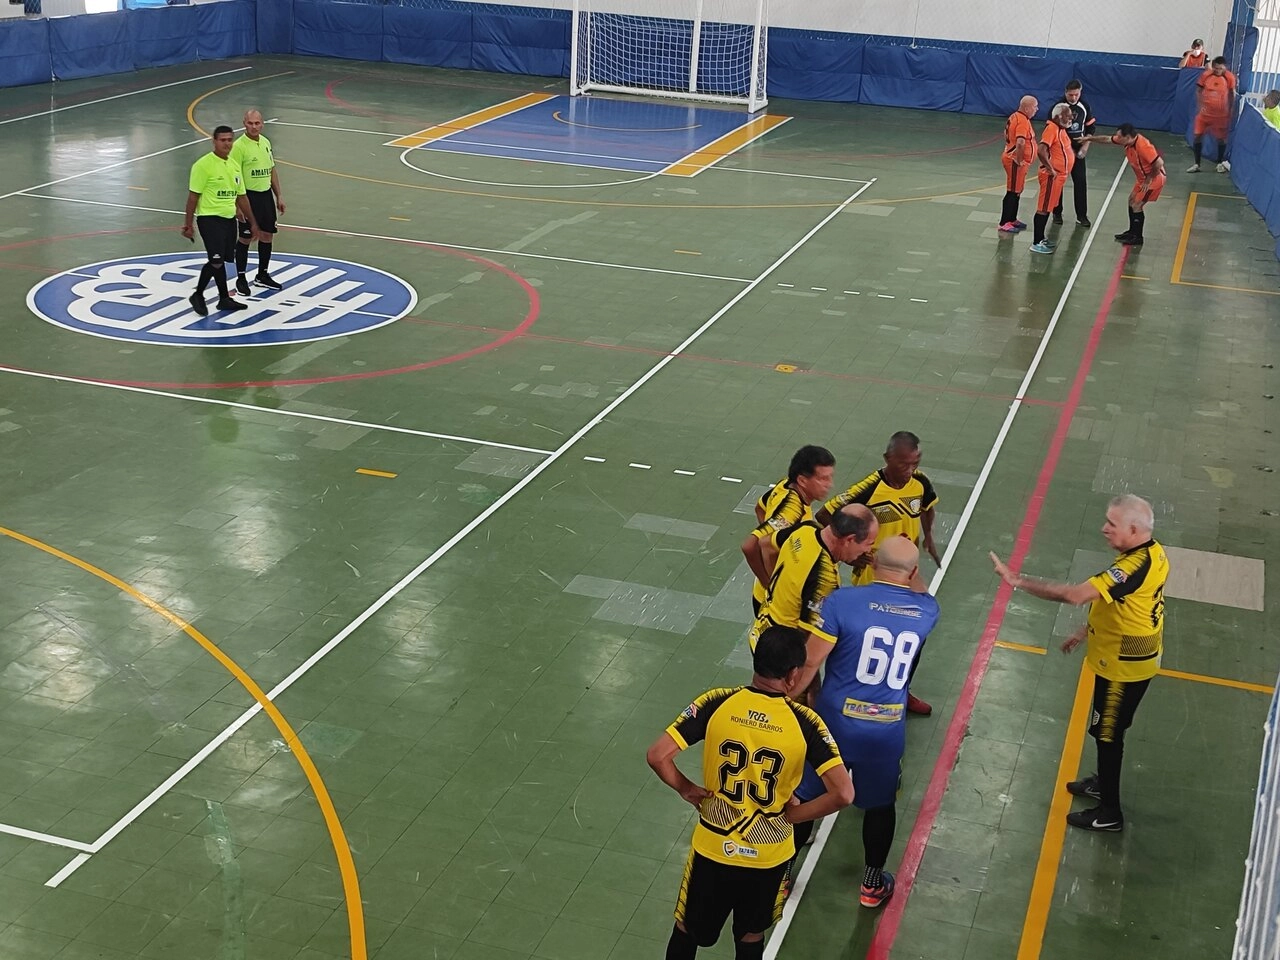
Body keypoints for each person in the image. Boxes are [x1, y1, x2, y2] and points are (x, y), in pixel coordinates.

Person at [647, 626, 854, 960]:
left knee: (687, 929)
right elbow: (843, 793)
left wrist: (687, 789)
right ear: (793, 674)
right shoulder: (805, 722)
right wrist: (794, 815)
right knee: (749, 935)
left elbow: (657, 755)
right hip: (768, 855)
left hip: (714, 847)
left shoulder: (717, 702)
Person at [989, 494, 1169, 832]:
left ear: (1133, 528)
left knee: (1108, 734)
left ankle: (1110, 813)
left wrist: (1017, 581)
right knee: (1109, 729)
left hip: (1123, 668)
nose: (1104, 528)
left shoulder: (1131, 566)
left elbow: (1075, 595)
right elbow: (1129, 606)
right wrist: (1087, 630)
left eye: (1111, 524)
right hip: (1131, 655)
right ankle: (1103, 782)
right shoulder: (1155, 553)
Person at [789, 538, 941, 908]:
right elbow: (919, 590)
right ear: (914, 571)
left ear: (873, 564)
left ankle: (780, 876)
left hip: (834, 725)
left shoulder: (842, 603)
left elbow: (810, 663)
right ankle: (872, 885)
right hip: (885, 729)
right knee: (879, 805)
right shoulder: (927, 611)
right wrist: (913, 573)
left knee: (806, 795)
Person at [815, 431, 941, 715]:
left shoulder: (919, 482)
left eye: (915, 463)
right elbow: (825, 516)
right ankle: (858, 695)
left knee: (912, 637)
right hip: (874, 579)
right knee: (868, 638)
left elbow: (928, 506)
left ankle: (902, 691)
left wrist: (929, 536)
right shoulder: (869, 488)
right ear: (887, 459)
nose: (910, 470)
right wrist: (852, 558)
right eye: (903, 464)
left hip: (907, 576)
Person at [745, 505, 878, 655]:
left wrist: (773, 587)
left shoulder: (805, 530)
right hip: (778, 653)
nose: (867, 551)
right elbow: (807, 639)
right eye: (869, 543)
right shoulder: (824, 578)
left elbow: (766, 544)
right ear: (850, 539)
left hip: (760, 631)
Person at [743, 446, 836, 617]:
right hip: (774, 603)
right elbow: (750, 546)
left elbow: (760, 507)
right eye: (823, 478)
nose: (830, 484)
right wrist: (771, 586)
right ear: (802, 480)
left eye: (830, 477)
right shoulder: (792, 510)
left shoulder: (784, 485)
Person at [181, 125, 258, 316]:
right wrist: (188, 224)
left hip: (229, 219)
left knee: (220, 260)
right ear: (214, 141)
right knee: (216, 260)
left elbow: (242, 196)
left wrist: (252, 222)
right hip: (209, 219)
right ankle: (200, 295)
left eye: (230, 140)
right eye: (222, 140)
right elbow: (193, 196)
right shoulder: (202, 165)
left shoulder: (233, 165)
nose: (227, 144)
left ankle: (223, 299)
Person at [229, 108, 285, 295]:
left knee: (267, 235)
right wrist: (238, 205)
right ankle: (241, 278)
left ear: (262, 124)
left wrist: (279, 196)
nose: (254, 126)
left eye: (257, 123)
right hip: (247, 197)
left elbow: (271, 169)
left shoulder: (266, 142)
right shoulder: (238, 147)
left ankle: (262, 275)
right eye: (250, 123)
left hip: (265, 196)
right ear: (244, 123)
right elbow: (233, 176)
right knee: (245, 238)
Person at [1083, 124, 1167, 247]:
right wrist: (1089, 139)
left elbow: (1159, 163)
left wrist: (1148, 180)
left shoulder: (1143, 146)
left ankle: (1138, 237)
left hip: (1154, 180)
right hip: (1142, 178)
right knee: (1131, 200)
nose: (1117, 138)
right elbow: (1107, 139)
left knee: (1137, 204)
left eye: (1119, 136)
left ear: (1127, 137)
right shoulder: (1128, 141)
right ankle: (1132, 231)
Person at [1050, 80, 1097, 227]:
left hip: (1077, 151)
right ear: (1065, 93)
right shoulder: (1057, 107)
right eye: (1070, 95)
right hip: (1060, 151)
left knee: (1081, 182)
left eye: (1076, 94)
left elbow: (1090, 129)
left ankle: (1081, 216)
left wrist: (1085, 146)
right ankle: (1057, 213)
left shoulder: (1085, 106)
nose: (1073, 98)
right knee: (1058, 182)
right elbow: (1050, 129)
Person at [1029, 104, 1075, 255]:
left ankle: (1041, 238)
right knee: (1043, 208)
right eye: (1068, 116)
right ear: (1058, 117)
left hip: (1059, 177)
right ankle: (1036, 242)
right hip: (1051, 177)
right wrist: (1050, 168)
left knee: (1048, 207)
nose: (1071, 118)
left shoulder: (1061, 130)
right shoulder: (1052, 129)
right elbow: (1041, 149)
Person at [1189, 57, 1237, 173]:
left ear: (1225, 67)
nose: (1218, 71)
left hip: (1220, 116)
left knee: (1221, 139)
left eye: (1220, 68)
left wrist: (1231, 109)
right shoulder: (1206, 75)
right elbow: (1198, 90)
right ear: (1213, 67)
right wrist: (1200, 105)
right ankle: (1196, 164)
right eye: (1216, 68)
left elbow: (1232, 94)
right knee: (1197, 136)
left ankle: (1219, 163)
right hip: (1204, 114)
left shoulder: (1229, 77)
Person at [999, 95, 1038, 233]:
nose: (1037, 109)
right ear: (1027, 108)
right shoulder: (1022, 121)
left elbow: (1006, 133)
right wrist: (1019, 159)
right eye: (1035, 107)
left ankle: (1012, 219)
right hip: (1015, 162)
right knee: (1012, 191)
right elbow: (1021, 142)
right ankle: (1004, 222)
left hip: (1012, 158)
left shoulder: (1014, 116)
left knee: (1017, 190)